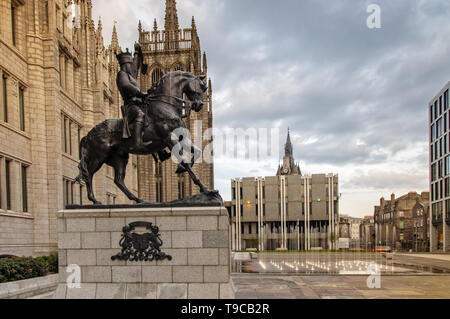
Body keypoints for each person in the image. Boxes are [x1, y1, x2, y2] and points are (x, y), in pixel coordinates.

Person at [116, 43, 150, 151]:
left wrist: (137, 52)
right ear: (125, 65)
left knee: (152, 119)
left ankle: (161, 152)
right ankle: (137, 143)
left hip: (137, 104)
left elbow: (135, 67)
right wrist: (140, 93)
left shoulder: (130, 75)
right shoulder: (122, 74)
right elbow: (126, 85)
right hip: (130, 106)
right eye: (129, 64)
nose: (131, 66)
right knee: (140, 114)